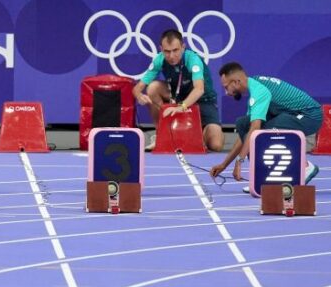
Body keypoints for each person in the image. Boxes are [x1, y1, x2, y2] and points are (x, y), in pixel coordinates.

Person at [209, 62, 321, 190]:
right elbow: (246, 134)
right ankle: (260, 177)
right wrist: (224, 165)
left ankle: (305, 166)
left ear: (236, 82)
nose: (226, 92)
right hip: (291, 114)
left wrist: (240, 161)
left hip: (309, 116)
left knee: (265, 131)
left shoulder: (259, 91)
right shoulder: (254, 87)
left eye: (226, 87)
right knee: (243, 124)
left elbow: (254, 130)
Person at [133, 29, 223, 152]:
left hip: (203, 101)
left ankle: (194, 136)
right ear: (161, 49)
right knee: (152, 88)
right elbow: (137, 88)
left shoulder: (192, 59)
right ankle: (162, 136)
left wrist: (181, 107)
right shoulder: (159, 60)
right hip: (178, 97)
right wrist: (139, 95)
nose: (171, 56)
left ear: (183, 47)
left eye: (175, 50)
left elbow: (199, 89)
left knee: (216, 145)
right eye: (167, 51)